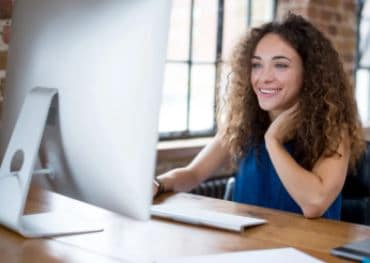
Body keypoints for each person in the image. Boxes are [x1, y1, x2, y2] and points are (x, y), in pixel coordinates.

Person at [153, 13, 365, 219]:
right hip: (250, 248)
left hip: (308, 251)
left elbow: (314, 203)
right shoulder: (243, 124)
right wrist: (158, 184)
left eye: (280, 65)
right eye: (256, 65)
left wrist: (273, 141)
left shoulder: (333, 130)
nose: (264, 77)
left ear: (309, 73)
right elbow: (193, 174)